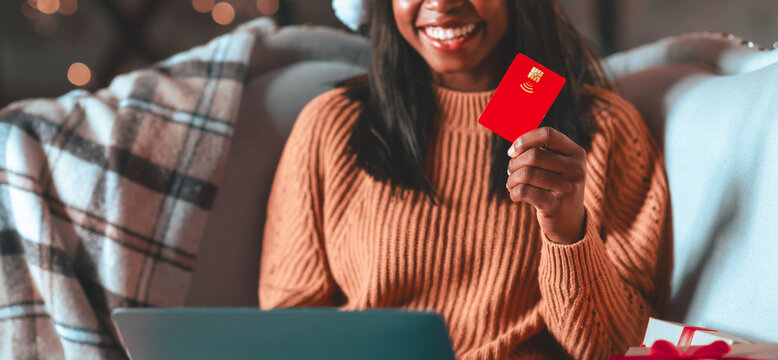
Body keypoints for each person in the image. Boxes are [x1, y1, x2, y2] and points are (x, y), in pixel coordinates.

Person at [258, 0, 672, 359]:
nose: (442, 3)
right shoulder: (330, 125)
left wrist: (567, 235)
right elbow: (287, 326)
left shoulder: (604, 130)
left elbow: (622, 346)